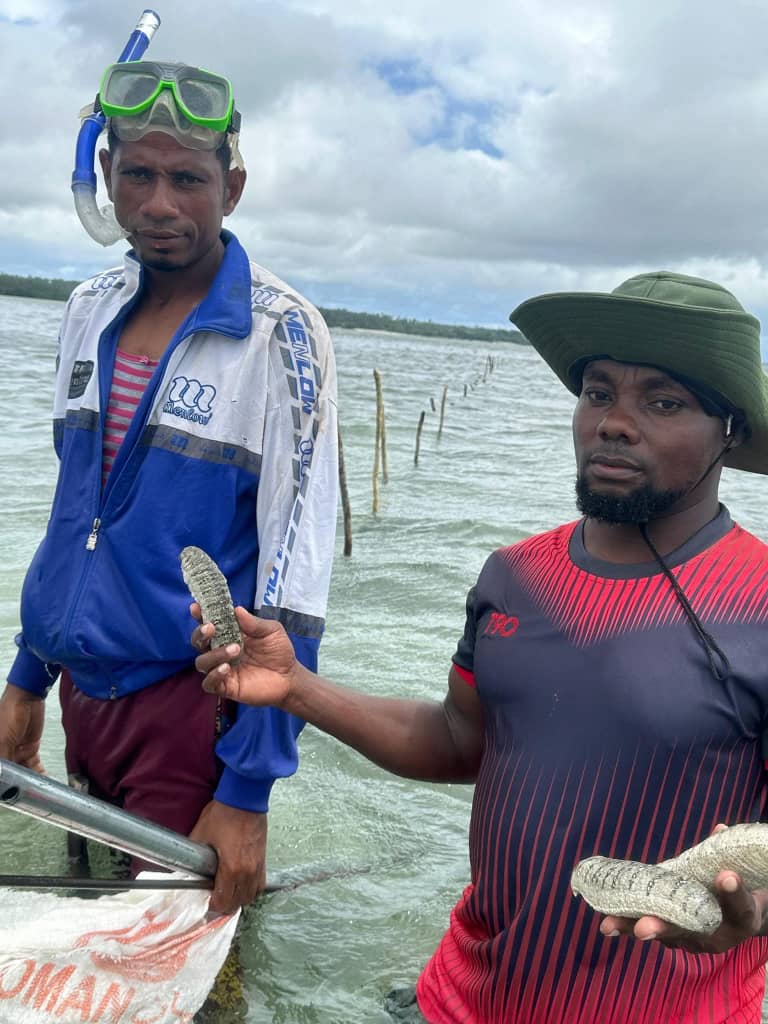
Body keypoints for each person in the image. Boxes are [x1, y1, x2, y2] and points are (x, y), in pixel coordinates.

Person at [192, 271, 768, 1021]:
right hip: (461, 996)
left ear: (729, 428)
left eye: (663, 402)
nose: (615, 423)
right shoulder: (516, 575)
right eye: (599, 392)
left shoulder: (755, 602)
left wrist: (751, 909)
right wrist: (297, 685)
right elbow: (462, 738)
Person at [0, 59, 338, 916]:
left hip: (193, 711)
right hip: (86, 692)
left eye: (188, 179)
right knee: (88, 930)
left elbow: (296, 580)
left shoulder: (281, 333)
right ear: (105, 175)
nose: (159, 205)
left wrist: (249, 791)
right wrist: (27, 681)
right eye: (139, 174)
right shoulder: (88, 305)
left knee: (177, 948)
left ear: (232, 188)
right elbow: (75, 516)